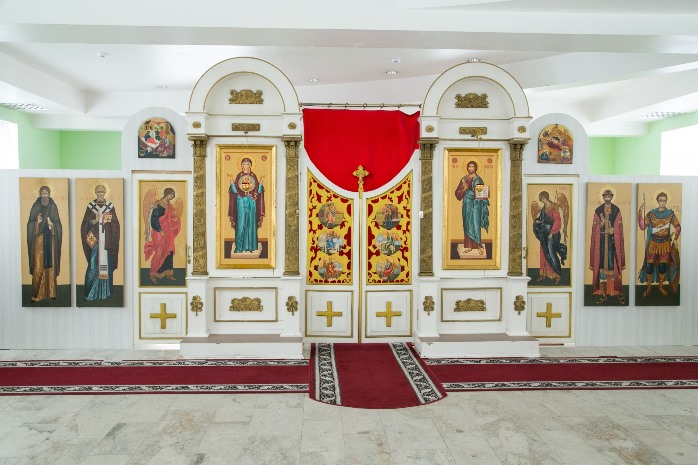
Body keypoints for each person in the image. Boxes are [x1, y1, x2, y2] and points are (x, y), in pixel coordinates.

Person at [80, 184, 120, 300]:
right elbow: (84, 225)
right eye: (98, 191)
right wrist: (95, 220)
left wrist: (109, 223)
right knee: (93, 266)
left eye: (102, 191)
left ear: (105, 193)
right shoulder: (91, 207)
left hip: (106, 242)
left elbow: (116, 225)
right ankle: (90, 293)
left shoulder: (110, 207)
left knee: (107, 266)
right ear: (95, 193)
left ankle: (105, 293)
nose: (100, 194)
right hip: (95, 242)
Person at [638, 192, 681, 297]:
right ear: (657, 201)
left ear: (666, 201)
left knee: (662, 266)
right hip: (653, 243)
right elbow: (643, 226)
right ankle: (649, 287)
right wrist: (640, 212)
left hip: (665, 244)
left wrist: (675, 239)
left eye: (664, 200)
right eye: (661, 200)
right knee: (649, 265)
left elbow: (678, 227)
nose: (662, 202)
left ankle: (661, 287)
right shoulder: (651, 213)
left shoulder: (670, 214)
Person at [26, 185, 63, 302]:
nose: (44, 196)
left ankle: (51, 293)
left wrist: (52, 225)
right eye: (43, 194)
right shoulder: (36, 206)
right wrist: (37, 223)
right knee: (38, 266)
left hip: (50, 240)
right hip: (39, 239)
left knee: (50, 267)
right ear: (40, 194)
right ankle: (36, 295)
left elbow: (58, 224)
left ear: (49, 194)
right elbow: (30, 224)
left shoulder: (53, 206)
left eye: (46, 194)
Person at [589, 189, 626, 304]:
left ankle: (616, 292)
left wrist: (613, 230)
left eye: (609, 196)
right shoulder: (598, 210)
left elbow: (620, 227)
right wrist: (601, 224)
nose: (607, 198)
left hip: (612, 243)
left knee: (614, 267)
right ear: (603, 197)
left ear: (612, 197)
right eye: (606, 196)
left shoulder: (616, 210)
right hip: (601, 244)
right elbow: (594, 228)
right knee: (602, 269)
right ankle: (603, 294)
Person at [144, 188, 181, 284]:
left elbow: (171, 216)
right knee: (159, 252)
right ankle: (153, 274)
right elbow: (154, 219)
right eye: (171, 195)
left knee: (169, 252)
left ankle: (168, 273)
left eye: (173, 196)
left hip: (168, 232)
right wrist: (160, 230)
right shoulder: (157, 205)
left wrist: (174, 218)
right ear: (166, 194)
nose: (171, 197)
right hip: (159, 232)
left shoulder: (169, 205)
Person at [228, 157, 265, 254]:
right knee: (241, 223)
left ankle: (250, 246)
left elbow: (258, 191)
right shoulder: (239, 176)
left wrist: (261, 183)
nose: (246, 166)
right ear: (242, 166)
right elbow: (235, 190)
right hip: (241, 201)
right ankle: (240, 247)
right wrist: (232, 181)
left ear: (251, 166)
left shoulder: (253, 176)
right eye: (244, 164)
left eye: (248, 164)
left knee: (251, 223)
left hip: (251, 202)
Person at [454, 160, 489, 255]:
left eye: (472, 166)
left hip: (476, 205)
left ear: (476, 168)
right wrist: (464, 190)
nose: (471, 168)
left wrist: (467, 191)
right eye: (469, 166)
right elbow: (457, 192)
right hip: (466, 204)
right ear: (467, 168)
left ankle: (478, 245)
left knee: (475, 224)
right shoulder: (464, 178)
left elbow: (480, 194)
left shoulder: (478, 179)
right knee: (467, 224)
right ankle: (469, 246)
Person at [533, 191, 567, 284]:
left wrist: (552, 232)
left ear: (545, 197)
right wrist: (537, 221)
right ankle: (543, 274)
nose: (541, 200)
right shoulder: (544, 209)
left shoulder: (554, 207)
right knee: (543, 253)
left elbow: (557, 221)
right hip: (543, 234)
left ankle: (557, 274)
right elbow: (541, 219)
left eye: (542, 198)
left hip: (552, 234)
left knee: (551, 254)